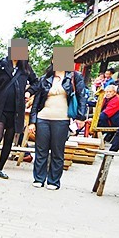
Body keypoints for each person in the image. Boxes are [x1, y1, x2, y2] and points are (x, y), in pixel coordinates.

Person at [0, 43, 37, 179]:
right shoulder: (1, 65)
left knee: (9, 140)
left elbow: (36, 83)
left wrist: (29, 92)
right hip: (1, 108)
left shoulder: (26, 68)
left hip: (16, 110)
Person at [30, 56, 87, 189]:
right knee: (41, 150)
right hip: (43, 117)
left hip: (62, 119)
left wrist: (81, 117)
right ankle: (39, 178)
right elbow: (36, 102)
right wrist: (33, 121)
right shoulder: (45, 78)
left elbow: (82, 96)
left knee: (57, 151)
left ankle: (53, 181)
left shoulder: (74, 77)